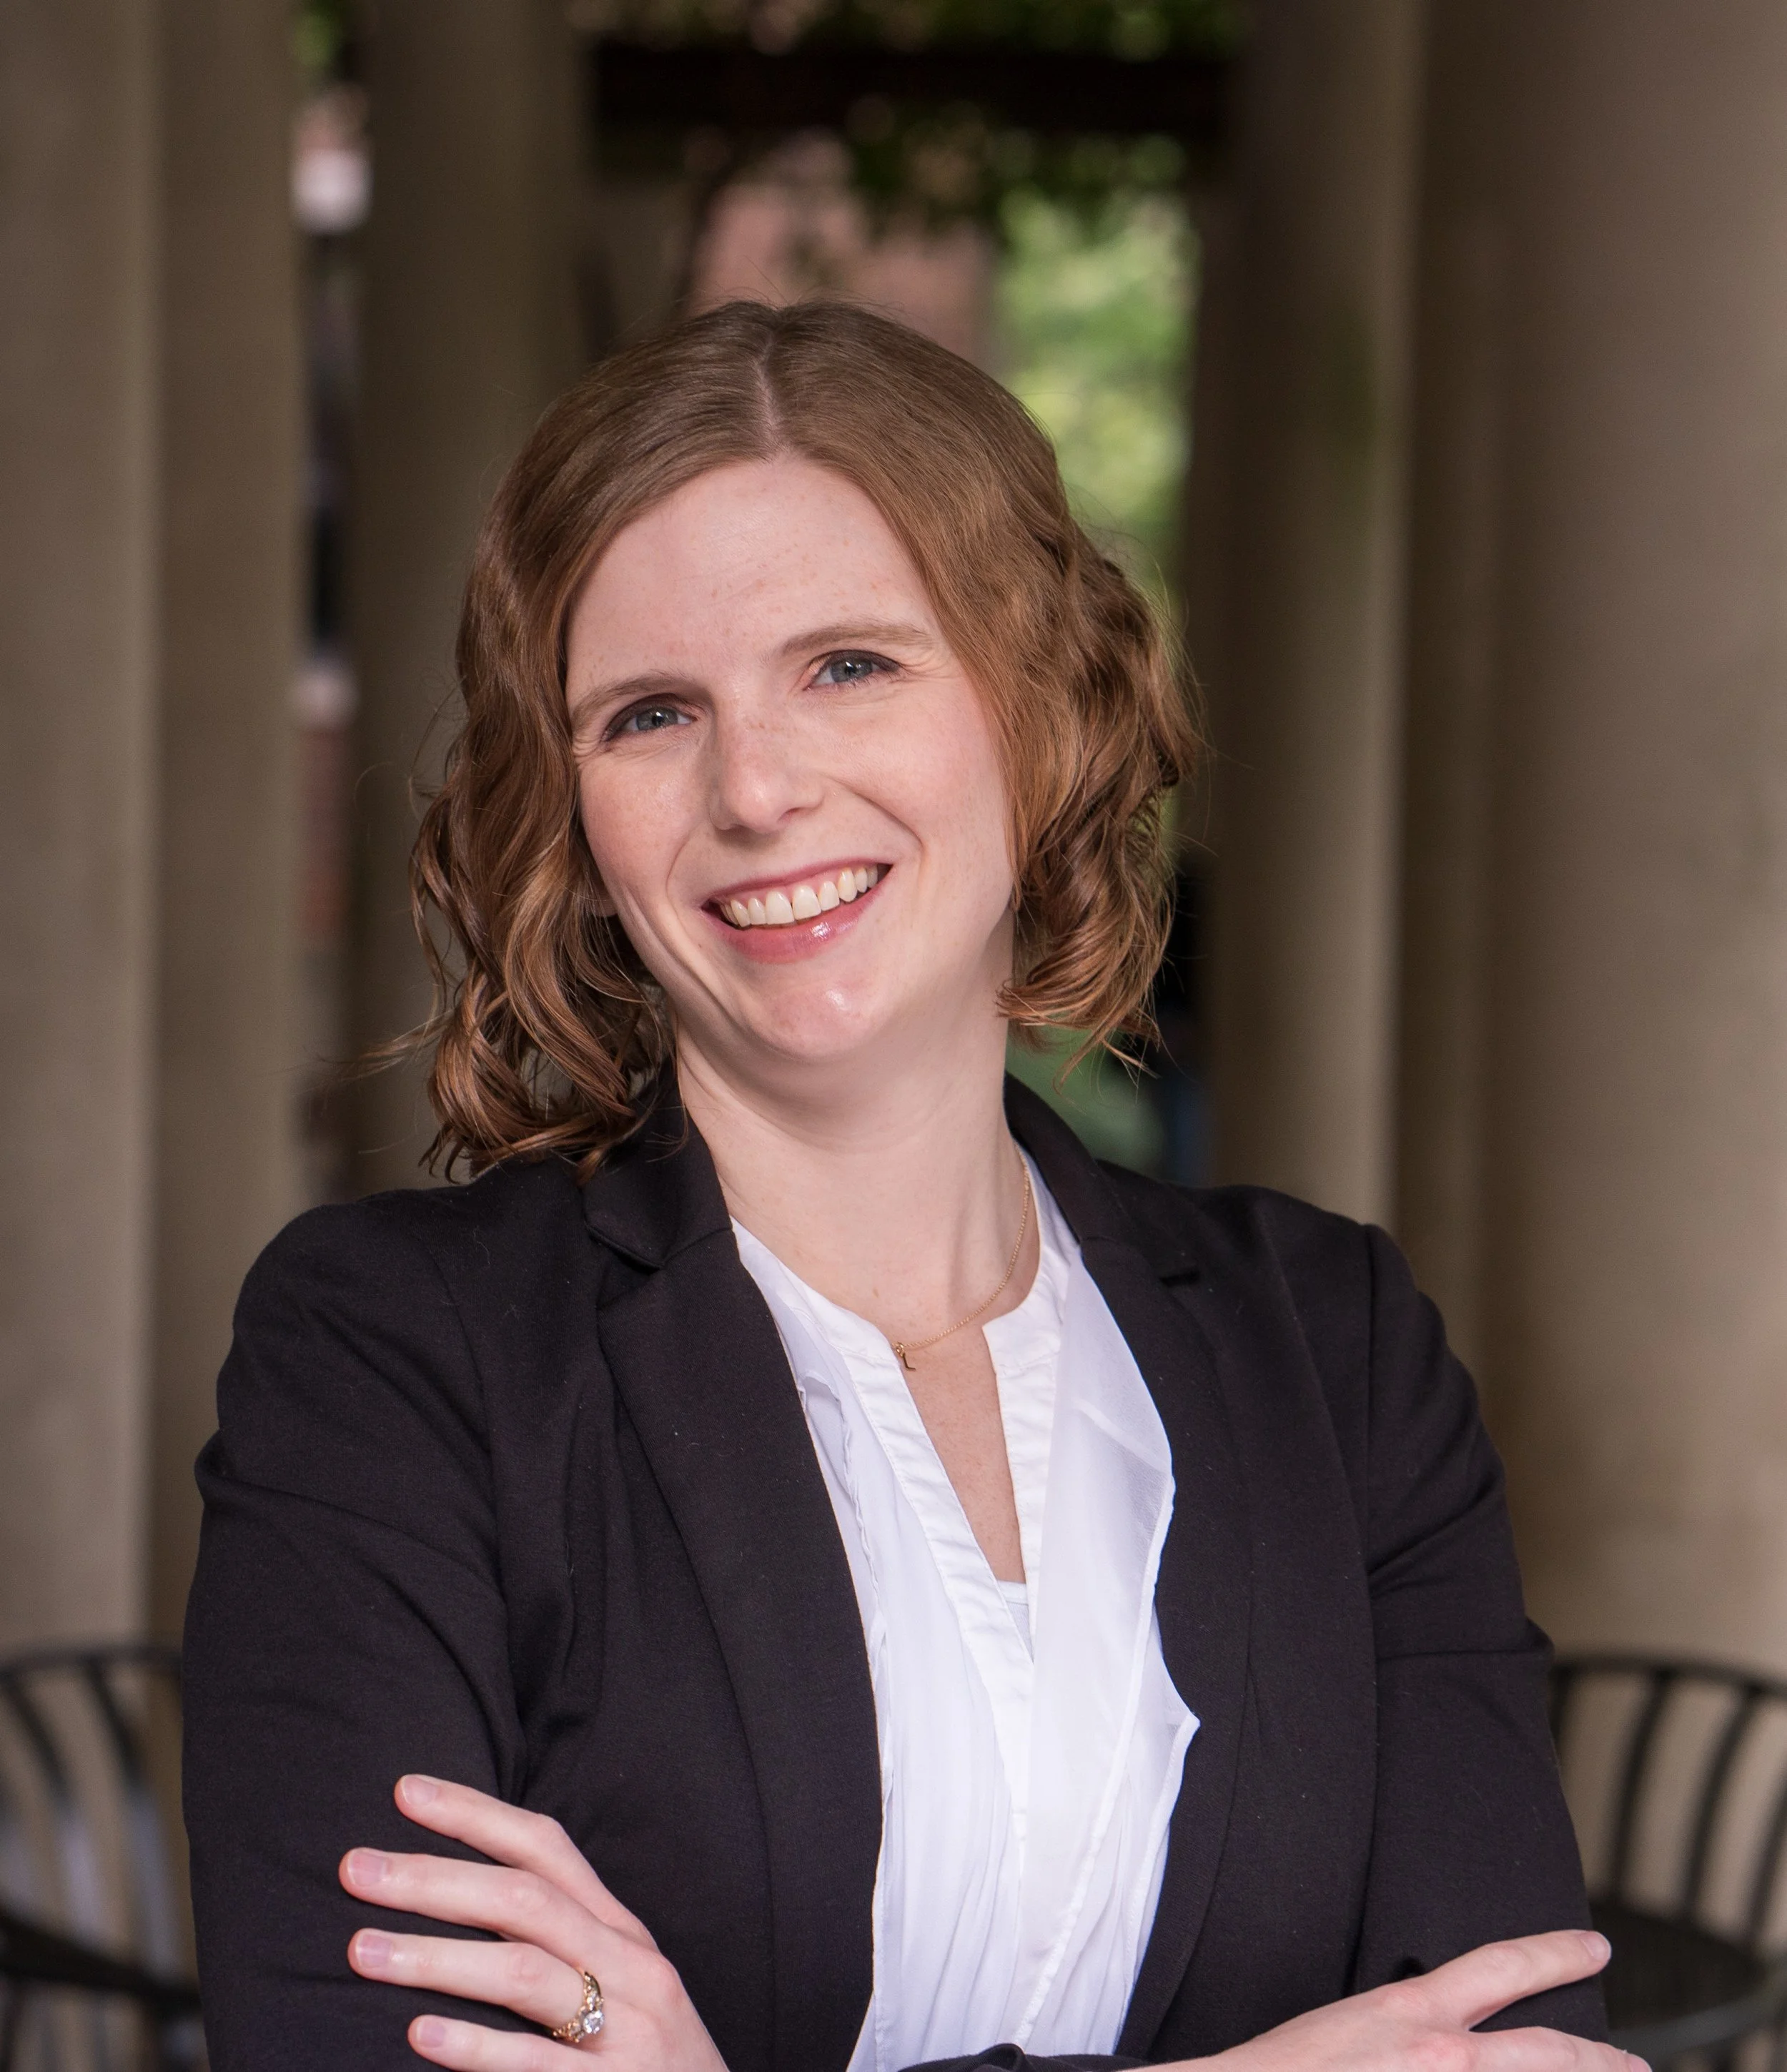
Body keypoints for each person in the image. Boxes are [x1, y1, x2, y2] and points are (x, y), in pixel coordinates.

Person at [182, 300, 1622, 2072]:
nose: (759, 787)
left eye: (848, 665)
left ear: (1040, 709)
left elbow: (1519, 2049)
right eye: (648, 713)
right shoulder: (398, 1360)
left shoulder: (1340, 1357)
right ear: (570, 812)